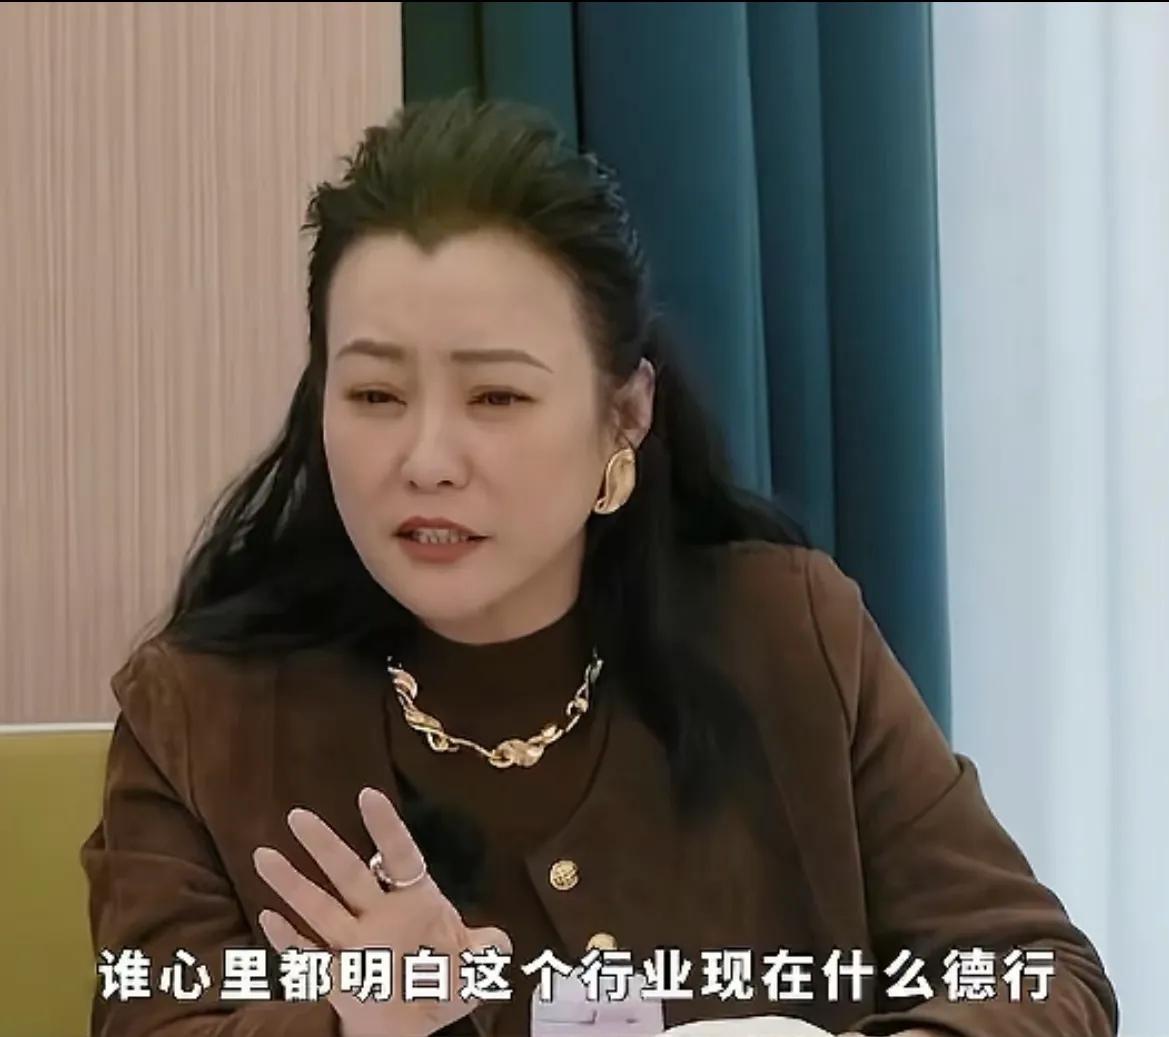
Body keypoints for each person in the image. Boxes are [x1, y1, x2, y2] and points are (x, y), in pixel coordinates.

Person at [81, 92, 1118, 1037]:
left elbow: (1044, 976)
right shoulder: (201, 715)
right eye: (375, 396)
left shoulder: (787, 635)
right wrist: (352, 1029)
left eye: (495, 396)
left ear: (623, 414)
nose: (426, 459)